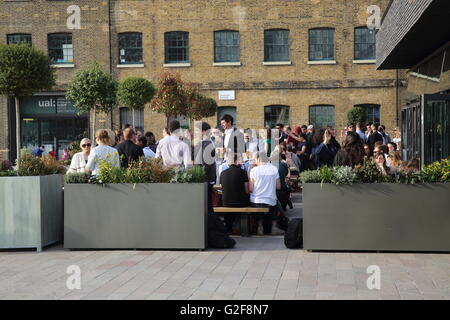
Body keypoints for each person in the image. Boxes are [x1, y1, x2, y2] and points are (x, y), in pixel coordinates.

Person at [249, 152, 281, 235]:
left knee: (256, 202)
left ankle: (260, 227)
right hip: (271, 201)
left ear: (258, 159)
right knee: (275, 202)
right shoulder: (274, 169)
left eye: (254, 159)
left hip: (256, 201)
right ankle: (274, 227)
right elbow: (278, 187)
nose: (254, 161)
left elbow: (251, 189)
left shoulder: (254, 170)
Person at [220, 153, 250, 233]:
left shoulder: (222, 173)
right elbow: (247, 190)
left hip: (226, 203)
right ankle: (240, 226)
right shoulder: (243, 172)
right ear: (236, 161)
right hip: (241, 202)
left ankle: (229, 227)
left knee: (229, 201)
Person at [194, 122, 217, 212]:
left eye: (197, 131)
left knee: (206, 206)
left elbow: (204, 164)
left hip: (204, 179)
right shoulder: (209, 143)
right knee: (207, 205)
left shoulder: (204, 144)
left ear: (203, 132)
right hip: (208, 178)